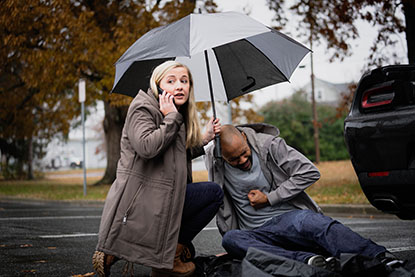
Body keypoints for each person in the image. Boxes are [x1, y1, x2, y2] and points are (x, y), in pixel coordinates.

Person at [204, 123, 403, 272]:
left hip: (288, 220)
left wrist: (270, 198)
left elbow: (309, 172)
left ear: (245, 138)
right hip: (256, 234)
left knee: (313, 222)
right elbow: (186, 149)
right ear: (222, 156)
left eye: (245, 154)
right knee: (231, 239)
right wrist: (205, 135)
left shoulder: (269, 146)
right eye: (234, 159)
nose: (243, 161)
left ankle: (379, 256)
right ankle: (308, 260)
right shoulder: (214, 159)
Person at [92, 61, 224, 277]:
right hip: (144, 196)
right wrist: (171, 117)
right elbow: (147, 147)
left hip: (165, 192)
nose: (179, 86)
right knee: (212, 193)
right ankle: (168, 260)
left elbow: (173, 155)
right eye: (171, 81)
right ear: (157, 85)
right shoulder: (143, 108)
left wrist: (205, 138)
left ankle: (154, 257)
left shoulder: (175, 111)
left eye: (184, 81)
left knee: (208, 202)